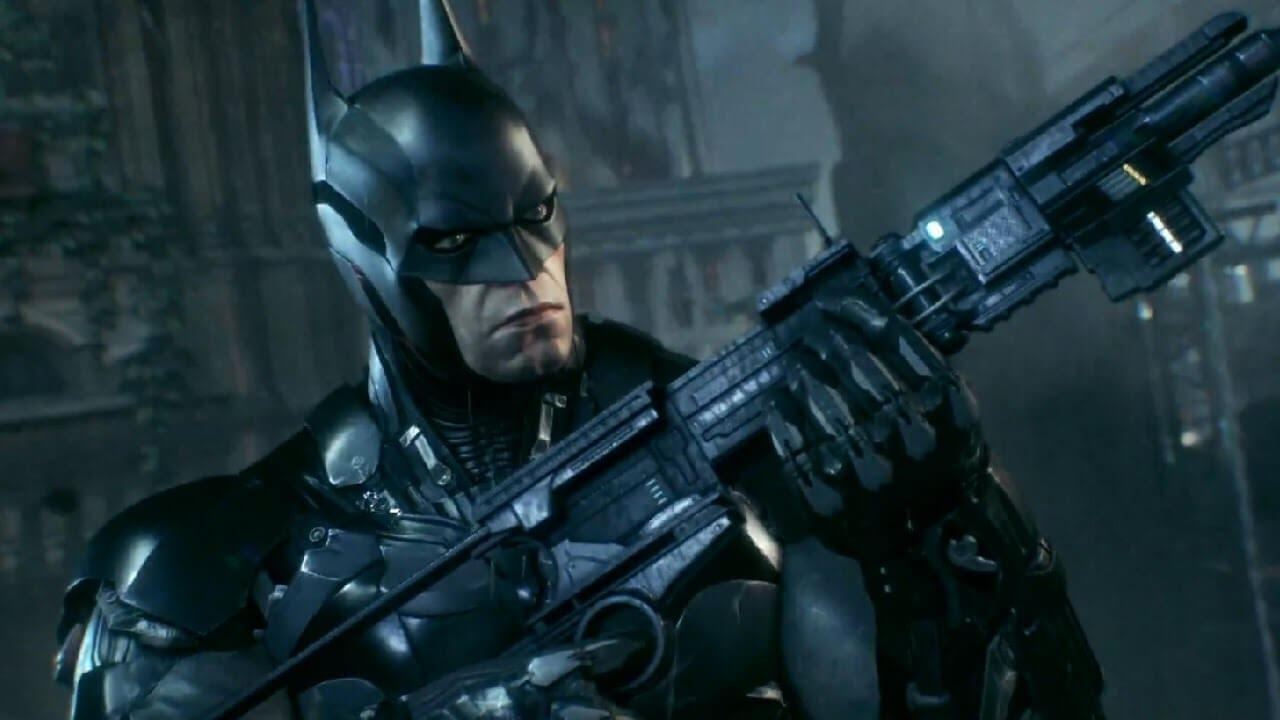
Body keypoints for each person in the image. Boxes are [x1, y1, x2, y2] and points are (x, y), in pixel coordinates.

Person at [53, 2, 1103, 718]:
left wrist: (945, 522)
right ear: (370, 263)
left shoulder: (732, 449)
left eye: (534, 217)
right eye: (456, 242)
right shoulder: (215, 564)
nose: (524, 273)